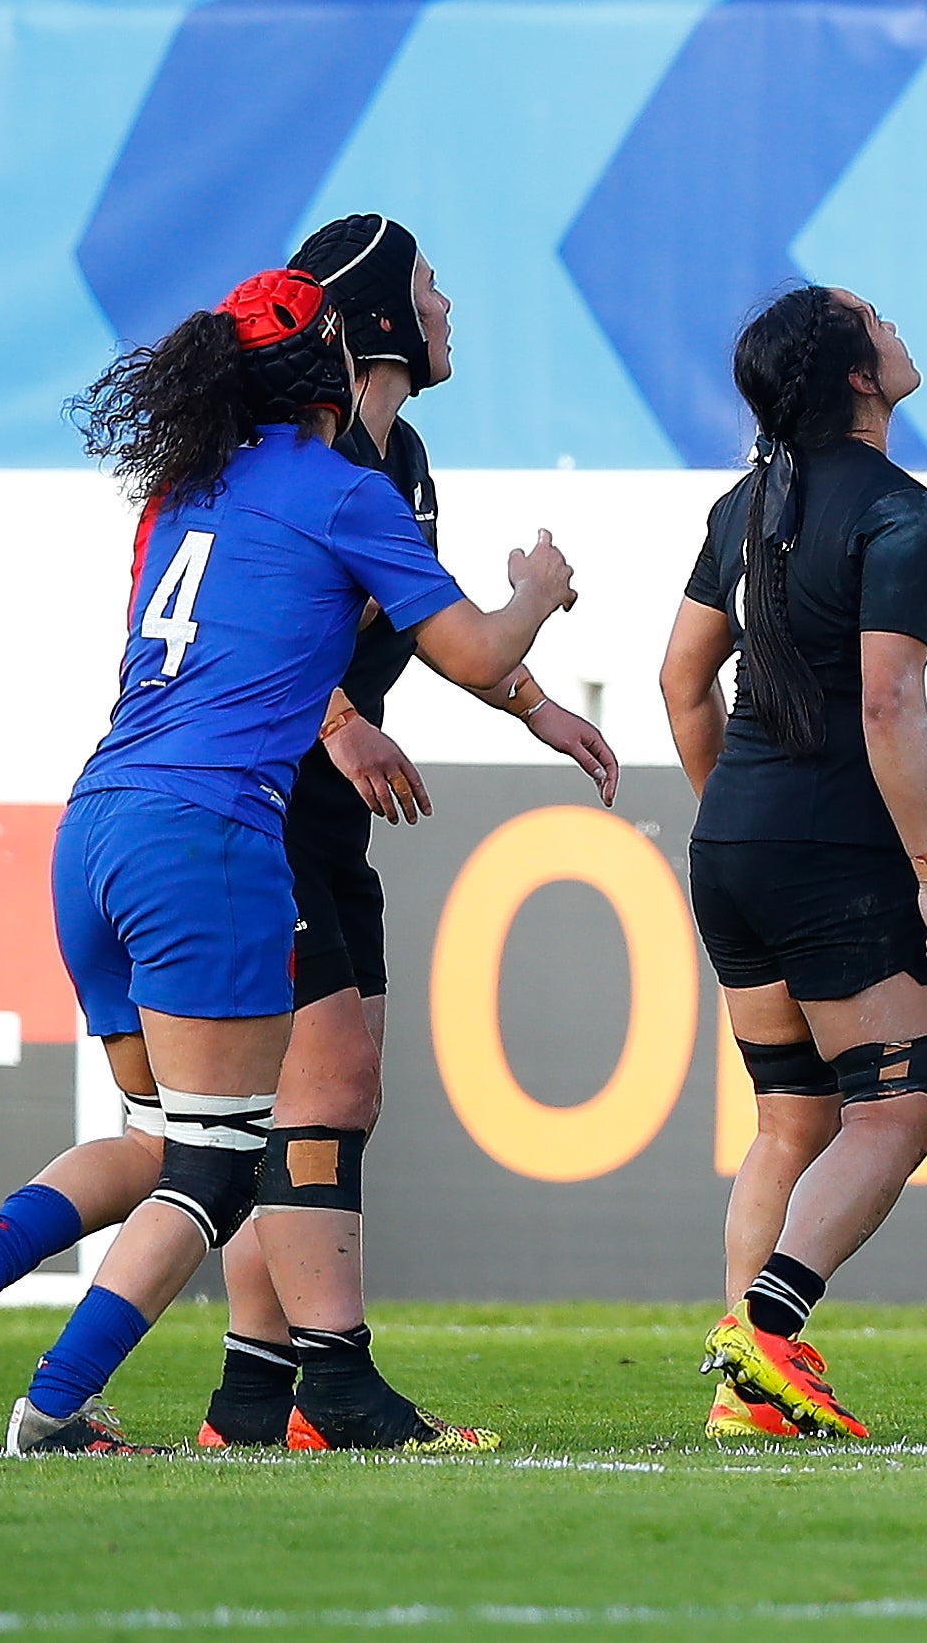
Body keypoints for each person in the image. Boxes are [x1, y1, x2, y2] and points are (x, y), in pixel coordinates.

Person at [0, 269, 573, 1453]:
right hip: (208, 840)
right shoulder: (345, 490)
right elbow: (469, 653)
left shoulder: (176, 495)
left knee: (162, 1139)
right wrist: (534, 595)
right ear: (333, 370)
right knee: (219, 1167)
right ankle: (55, 1407)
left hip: (96, 825)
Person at [186, 217, 613, 1452]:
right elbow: (241, 622)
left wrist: (538, 712)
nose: (446, 307)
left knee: (333, 1092)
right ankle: (338, 1384)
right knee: (314, 1086)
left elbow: (431, 627)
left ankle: (255, 1398)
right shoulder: (296, 457)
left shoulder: (402, 456)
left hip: (321, 817)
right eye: (429, 286)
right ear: (375, 318)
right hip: (258, 799)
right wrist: (336, 720)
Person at [654, 288, 927, 1442]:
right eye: (882, 321)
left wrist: (734, 818)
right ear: (855, 376)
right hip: (832, 847)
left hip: (730, 842)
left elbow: (680, 683)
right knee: (898, 1109)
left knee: (791, 1118)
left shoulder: (742, 506)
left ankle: (749, 1400)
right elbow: (888, 698)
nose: (899, 329)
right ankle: (769, 1332)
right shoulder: (900, 511)